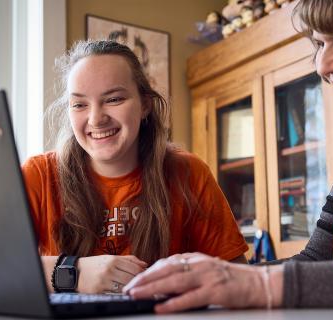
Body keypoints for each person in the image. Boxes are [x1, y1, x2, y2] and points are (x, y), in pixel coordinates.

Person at [124, 0, 333, 312]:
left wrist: (256, 284)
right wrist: (212, 279)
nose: (323, 66)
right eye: (321, 43)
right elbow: (316, 258)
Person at [21, 40, 248, 295]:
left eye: (114, 99)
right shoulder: (38, 175)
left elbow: (238, 279)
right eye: (80, 104)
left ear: (145, 105)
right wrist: (74, 273)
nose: (96, 118)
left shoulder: (189, 172)